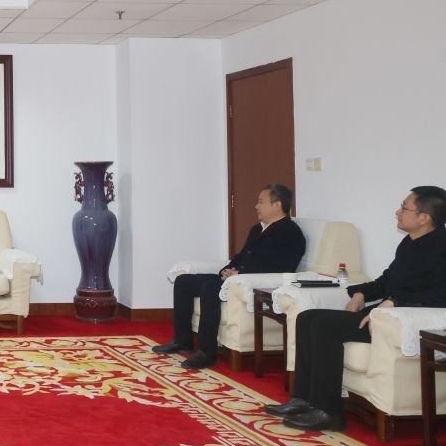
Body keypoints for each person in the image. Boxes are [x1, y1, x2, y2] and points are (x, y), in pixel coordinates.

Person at [266, 186, 446, 432]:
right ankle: (304, 399)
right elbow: (387, 280)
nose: (397, 212)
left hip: (405, 322)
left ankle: (329, 412)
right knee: (306, 318)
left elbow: (440, 295)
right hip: (383, 315)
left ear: (424, 217)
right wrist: (361, 293)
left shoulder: (441, 248)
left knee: (324, 326)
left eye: (404, 207)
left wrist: (396, 302)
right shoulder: (409, 243)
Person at [153, 183, 306, 369]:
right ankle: (182, 340)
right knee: (183, 281)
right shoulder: (257, 229)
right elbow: (241, 256)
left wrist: (240, 274)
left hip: (253, 283)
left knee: (209, 288)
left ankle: (206, 353)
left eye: (261, 202)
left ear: (277, 205)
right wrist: (226, 271)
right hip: (235, 279)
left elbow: (281, 267)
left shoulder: (291, 233)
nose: (256, 206)